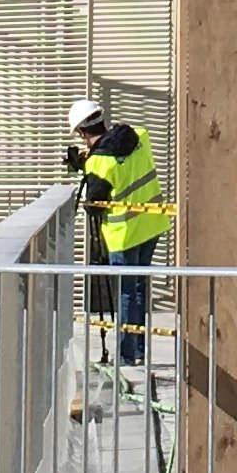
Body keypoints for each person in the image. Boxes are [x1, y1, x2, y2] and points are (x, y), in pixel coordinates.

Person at [71, 100, 164, 370]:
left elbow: (94, 204)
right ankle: (139, 351)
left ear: (82, 133)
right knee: (139, 288)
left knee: (125, 292)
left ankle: (125, 356)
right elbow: (121, 158)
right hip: (151, 225)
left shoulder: (99, 162)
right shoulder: (140, 137)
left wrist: (86, 166)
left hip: (123, 235)